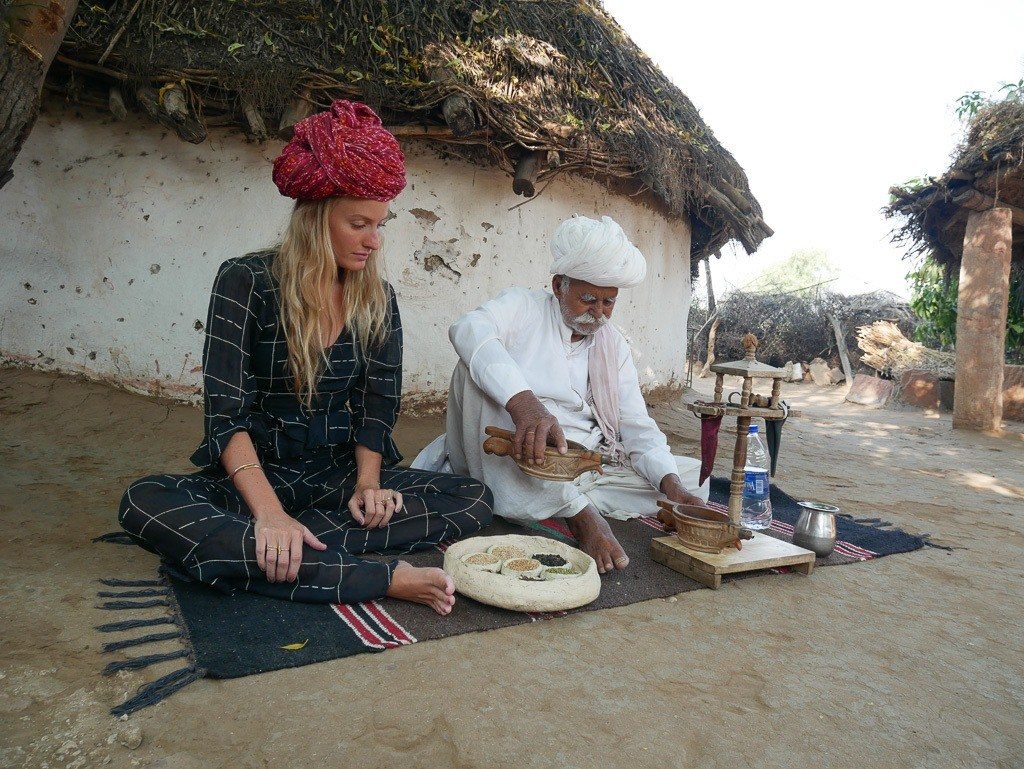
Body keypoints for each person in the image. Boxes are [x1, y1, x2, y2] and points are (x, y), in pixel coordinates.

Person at [119, 100, 492, 614]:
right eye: (359, 223)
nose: (374, 241)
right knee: (144, 502)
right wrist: (268, 513)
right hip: (256, 479)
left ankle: (270, 555)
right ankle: (372, 575)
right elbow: (224, 417)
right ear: (316, 220)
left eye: (380, 224)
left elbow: (377, 409)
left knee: (474, 499)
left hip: (337, 482)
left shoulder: (378, 301)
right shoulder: (244, 282)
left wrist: (369, 486)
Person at [413, 215, 706, 573]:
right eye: (587, 299)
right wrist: (523, 403)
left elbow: (634, 424)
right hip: (516, 448)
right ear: (558, 286)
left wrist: (673, 488)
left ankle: (550, 499)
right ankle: (578, 513)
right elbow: (468, 328)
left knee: (690, 479)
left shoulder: (613, 345)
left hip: (582, 461)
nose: (598, 313)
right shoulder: (523, 308)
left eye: (608, 302)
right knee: (474, 373)